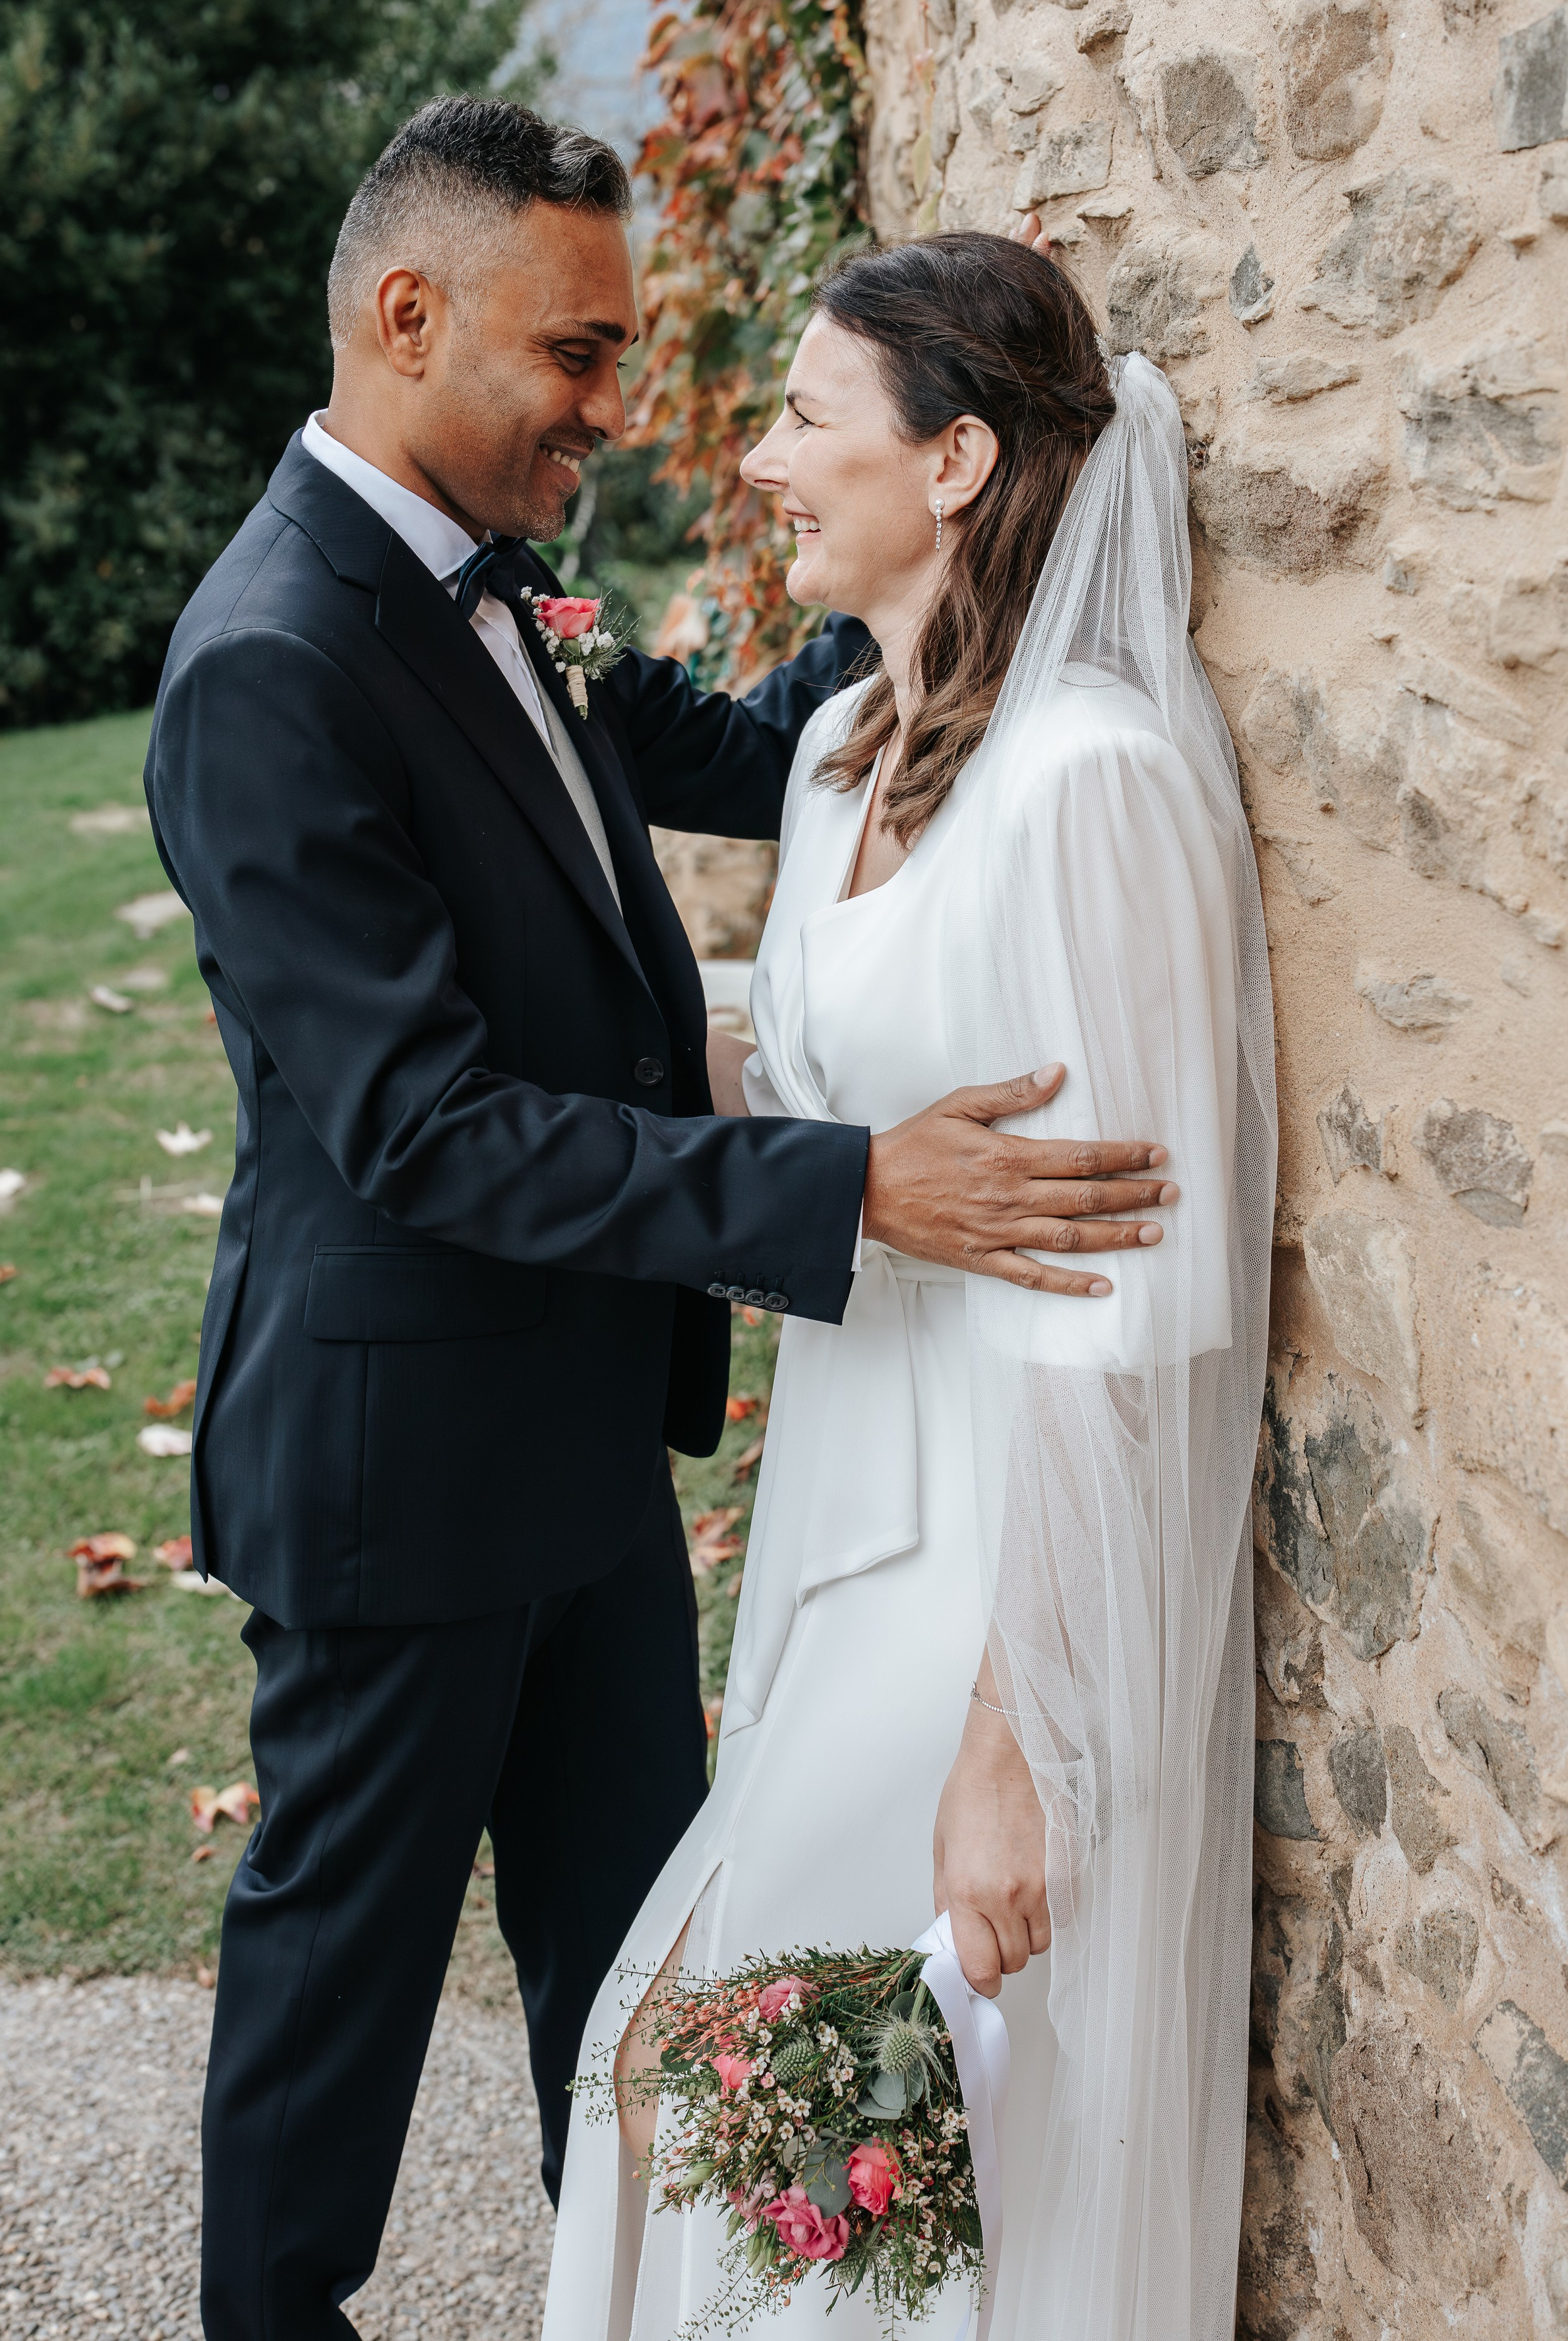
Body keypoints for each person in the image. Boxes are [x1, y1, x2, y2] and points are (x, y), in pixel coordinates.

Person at [143, 102, 1174, 2341]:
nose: (618, 412)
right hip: (398, 1476)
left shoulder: (496, 583)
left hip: (589, 1460)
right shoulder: (272, 664)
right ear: (408, 320)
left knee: (649, 1994)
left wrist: (957, 550)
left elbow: (755, 743)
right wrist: (846, 1184)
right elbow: (426, 1127)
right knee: (332, 2013)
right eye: (581, 357)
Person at [542, 232, 1276, 2341]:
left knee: (853, 2126)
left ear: (955, 461)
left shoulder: (1099, 789)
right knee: (788, 2135)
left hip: (998, 1583)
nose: (759, 457)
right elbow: (798, 1078)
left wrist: (1016, 1737)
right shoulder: (843, 750)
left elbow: (1127, 1314)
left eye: (803, 416)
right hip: (834, 1530)